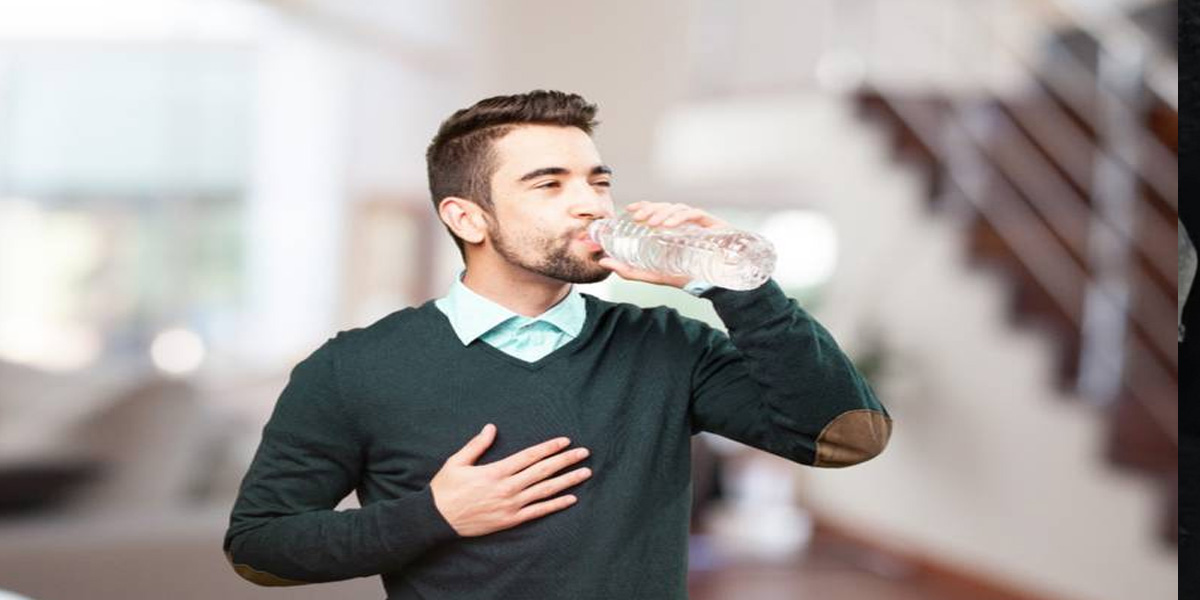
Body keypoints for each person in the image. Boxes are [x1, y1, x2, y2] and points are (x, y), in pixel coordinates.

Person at [223, 90, 891, 599]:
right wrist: (435, 514)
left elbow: (846, 437)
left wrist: (738, 285)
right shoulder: (353, 367)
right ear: (467, 217)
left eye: (598, 180)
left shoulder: (668, 345)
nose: (593, 205)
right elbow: (260, 547)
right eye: (550, 183)